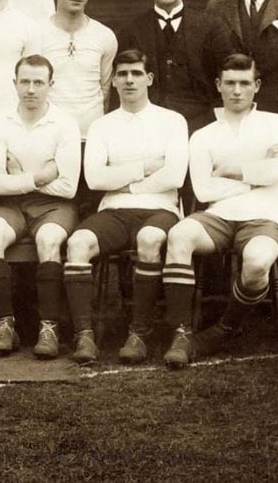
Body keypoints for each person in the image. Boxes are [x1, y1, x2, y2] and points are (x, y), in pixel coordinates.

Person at [161, 54, 278, 368]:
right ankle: (180, 334)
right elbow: (204, 190)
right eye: (229, 83)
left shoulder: (277, 124)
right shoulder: (204, 135)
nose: (236, 90)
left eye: (244, 83)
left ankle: (223, 329)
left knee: (257, 263)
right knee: (179, 235)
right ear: (218, 85)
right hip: (218, 215)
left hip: (265, 214)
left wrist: (232, 170)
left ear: (256, 86)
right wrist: (258, 173)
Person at [65, 50, 188, 364]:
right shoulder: (101, 126)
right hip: (114, 209)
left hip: (161, 209)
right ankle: (85, 336)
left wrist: (121, 179)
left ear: (149, 79)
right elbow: (94, 179)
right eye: (122, 74)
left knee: (149, 241)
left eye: (136, 73)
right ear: (115, 81)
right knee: (78, 243)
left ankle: (139, 333)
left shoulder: (172, 121)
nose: (129, 80)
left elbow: (173, 175)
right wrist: (145, 167)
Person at [0, 55, 81, 357]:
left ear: (51, 85)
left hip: (55, 206)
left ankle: (48, 328)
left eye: (39, 82)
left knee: (48, 239)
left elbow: (68, 186)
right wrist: (40, 174)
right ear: (15, 83)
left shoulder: (65, 123)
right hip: (11, 206)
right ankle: (5, 325)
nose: (31, 89)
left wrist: (19, 175)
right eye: (25, 81)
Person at [117, 0, 236, 132]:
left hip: (201, 125)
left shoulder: (211, 27)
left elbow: (228, 77)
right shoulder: (133, 30)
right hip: (148, 126)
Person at [32, 0, 117, 138]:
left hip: (92, 135)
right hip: (49, 134)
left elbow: (105, 89)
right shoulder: (35, 33)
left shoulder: (104, 36)